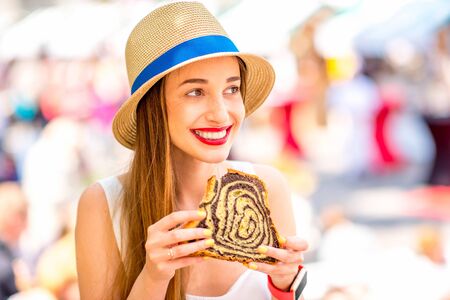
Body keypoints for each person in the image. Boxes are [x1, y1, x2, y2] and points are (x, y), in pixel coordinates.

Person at [75, 2, 308, 299]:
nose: (221, 114)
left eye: (232, 89)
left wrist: (286, 284)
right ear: (154, 108)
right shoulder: (104, 204)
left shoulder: (267, 186)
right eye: (195, 92)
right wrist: (154, 277)